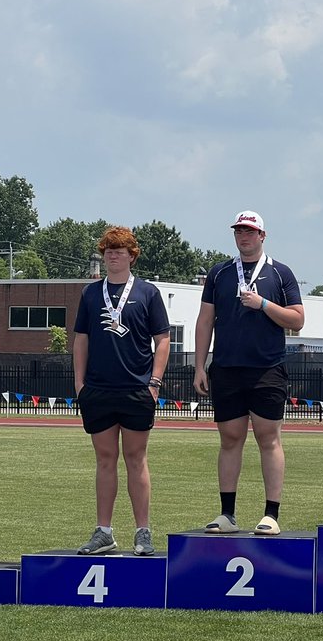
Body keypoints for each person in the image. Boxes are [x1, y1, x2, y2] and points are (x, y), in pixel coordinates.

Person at [194, 210, 304, 535]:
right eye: (239, 231)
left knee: (268, 439)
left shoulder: (280, 273)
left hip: (267, 368)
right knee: (230, 440)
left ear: (262, 236)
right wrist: (199, 365)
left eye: (250, 231)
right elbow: (204, 321)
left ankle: (271, 514)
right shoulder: (219, 273)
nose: (244, 236)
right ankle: (227, 514)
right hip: (227, 368)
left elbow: (297, 320)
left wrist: (264, 305)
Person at [73, 226, 170, 556]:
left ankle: (142, 532)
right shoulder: (90, 293)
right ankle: (104, 532)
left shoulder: (148, 293)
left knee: (136, 459)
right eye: (108, 250)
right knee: (104, 460)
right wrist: (79, 383)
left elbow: (163, 339)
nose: (112, 255)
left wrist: (154, 382)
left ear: (132, 255)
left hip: (136, 388)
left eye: (119, 250)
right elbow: (81, 339)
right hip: (98, 389)